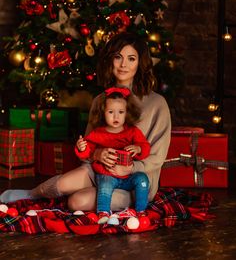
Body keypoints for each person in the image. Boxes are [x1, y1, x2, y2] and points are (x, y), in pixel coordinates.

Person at [0, 32, 171, 212]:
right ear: (110, 60)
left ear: (140, 63)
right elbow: (89, 146)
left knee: (76, 202)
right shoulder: (100, 100)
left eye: (131, 59)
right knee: (64, 183)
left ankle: (101, 195)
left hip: (136, 179)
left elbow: (158, 156)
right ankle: (31, 194)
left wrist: (131, 168)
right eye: (118, 57)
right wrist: (97, 154)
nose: (123, 65)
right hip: (101, 171)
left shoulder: (156, 103)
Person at [76, 86, 150, 224]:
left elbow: (145, 147)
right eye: (111, 112)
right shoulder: (99, 133)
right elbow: (87, 152)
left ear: (127, 113)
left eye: (120, 112)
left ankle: (141, 211)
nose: (116, 117)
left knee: (142, 178)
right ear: (103, 113)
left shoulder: (133, 132)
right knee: (105, 184)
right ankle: (103, 212)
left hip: (128, 177)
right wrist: (81, 147)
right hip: (107, 175)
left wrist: (138, 149)